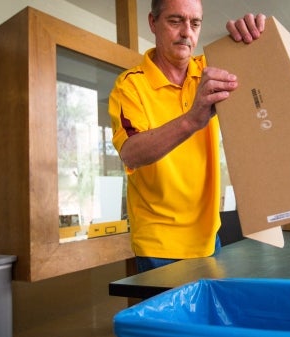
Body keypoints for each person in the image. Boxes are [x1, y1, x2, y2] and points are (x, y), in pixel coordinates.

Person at [108, 0, 266, 272]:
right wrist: (193, 119)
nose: (186, 32)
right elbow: (131, 152)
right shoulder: (130, 85)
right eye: (175, 21)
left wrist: (252, 41)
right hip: (160, 245)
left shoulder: (211, 69)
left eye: (195, 23)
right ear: (152, 23)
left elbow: (263, 77)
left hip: (209, 239)